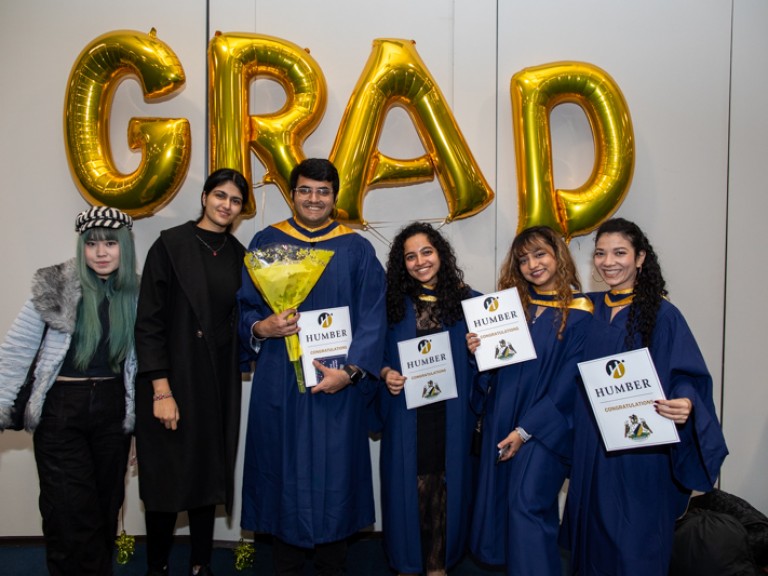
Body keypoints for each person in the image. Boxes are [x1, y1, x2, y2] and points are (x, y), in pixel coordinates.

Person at [237, 158, 387, 575]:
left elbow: (374, 317)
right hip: (280, 381)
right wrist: (262, 326)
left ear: (335, 197)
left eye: (323, 191)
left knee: (335, 473)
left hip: (337, 383)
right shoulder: (267, 242)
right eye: (305, 190)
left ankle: (331, 566)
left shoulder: (356, 248)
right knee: (281, 468)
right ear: (293, 193)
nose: (314, 198)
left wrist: (352, 372)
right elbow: (244, 308)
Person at [562, 217, 729, 576]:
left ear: (640, 259)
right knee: (590, 540)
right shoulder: (586, 311)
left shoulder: (663, 315)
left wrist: (686, 403)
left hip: (640, 449)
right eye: (601, 253)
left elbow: (685, 374)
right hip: (591, 444)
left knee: (634, 542)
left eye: (620, 252)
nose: (609, 261)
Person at [0, 206, 138, 576]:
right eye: (92, 244)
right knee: (66, 511)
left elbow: (142, 365)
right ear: (81, 248)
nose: (102, 252)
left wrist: (140, 425)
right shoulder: (55, 285)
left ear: (125, 246)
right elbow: (16, 349)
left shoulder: (137, 294)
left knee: (105, 508)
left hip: (112, 411)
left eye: (111, 243)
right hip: (61, 409)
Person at [134, 168, 248, 576]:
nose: (226, 205)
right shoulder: (170, 245)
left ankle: (201, 563)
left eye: (235, 201)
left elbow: (243, 319)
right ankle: (157, 565)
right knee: (166, 477)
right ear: (204, 197)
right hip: (171, 378)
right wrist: (160, 390)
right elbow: (148, 323)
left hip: (216, 381)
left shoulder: (239, 255)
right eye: (220, 195)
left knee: (207, 473)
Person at [467, 225, 593, 576]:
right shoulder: (513, 308)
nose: (532, 264)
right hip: (502, 419)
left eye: (540, 254)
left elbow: (570, 383)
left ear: (558, 256)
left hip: (546, 428)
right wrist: (478, 353)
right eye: (523, 259)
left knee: (527, 506)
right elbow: (492, 376)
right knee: (509, 509)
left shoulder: (581, 313)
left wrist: (526, 430)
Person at [375, 222, 478, 576]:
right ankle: (407, 563)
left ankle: (439, 564)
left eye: (427, 252)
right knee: (408, 487)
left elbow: (492, 365)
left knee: (445, 485)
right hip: (407, 414)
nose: (420, 261)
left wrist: (476, 351)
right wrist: (386, 373)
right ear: (401, 264)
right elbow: (376, 356)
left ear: (441, 254)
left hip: (450, 414)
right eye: (410, 256)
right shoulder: (391, 306)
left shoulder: (470, 303)